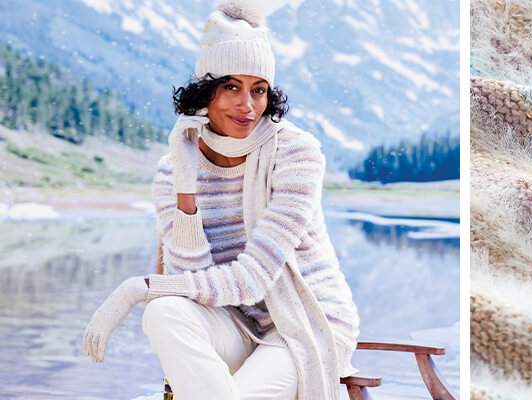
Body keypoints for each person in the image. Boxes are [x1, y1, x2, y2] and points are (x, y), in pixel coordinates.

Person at [82, 0, 360, 398]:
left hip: (307, 321)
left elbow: (252, 279)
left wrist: (138, 287)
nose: (247, 105)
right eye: (231, 86)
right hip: (234, 323)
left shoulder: (297, 153)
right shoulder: (173, 168)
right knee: (165, 311)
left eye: (258, 90)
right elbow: (187, 275)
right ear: (204, 93)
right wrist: (185, 180)